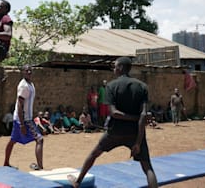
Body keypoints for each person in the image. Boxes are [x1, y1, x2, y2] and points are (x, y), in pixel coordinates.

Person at [68, 57, 158, 188]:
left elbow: (114, 113)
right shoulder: (142, 86)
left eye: (115, 66)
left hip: (115, 131)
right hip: (135, 132)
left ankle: (77, 182)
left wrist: (134, 118)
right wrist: (138, 142)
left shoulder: (111, 86)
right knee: (147, 167)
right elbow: (143, 115)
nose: (114, 69)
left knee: (94, 154)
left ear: (120, 68)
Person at [3, 65, 44, 170]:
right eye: (27, 71)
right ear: (23, 72)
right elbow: (20, 105)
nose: (29, 72)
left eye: (30, 70)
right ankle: (40, 167)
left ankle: (6, 163)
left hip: (26, 118)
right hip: (23, 119)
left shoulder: (31, 84)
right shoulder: (24, 86)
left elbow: (28, 103)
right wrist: (22, 124)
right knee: (39, 139)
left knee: (13, 140)